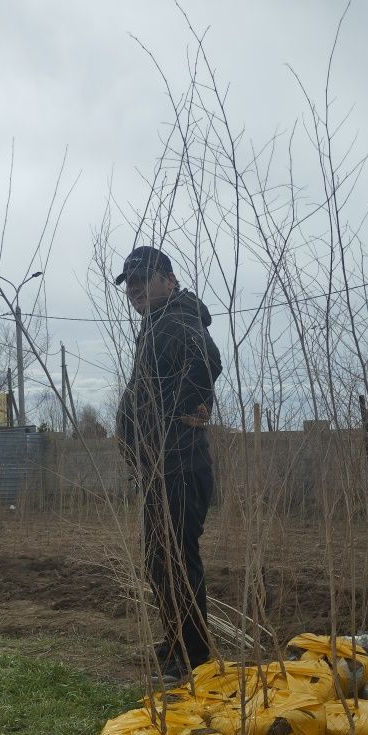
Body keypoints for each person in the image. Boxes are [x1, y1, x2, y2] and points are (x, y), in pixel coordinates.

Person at [115, 245, 222, 684]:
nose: (135, 290)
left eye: (143, 279)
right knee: (162, 560)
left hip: (177, 464)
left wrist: (179, 410)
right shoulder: (159, 321)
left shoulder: (177, 318)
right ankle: (178, 639)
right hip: (162, 467)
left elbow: (209, 362)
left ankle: (193, 657)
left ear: (168, 278)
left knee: (175, 560)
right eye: (130, 284)